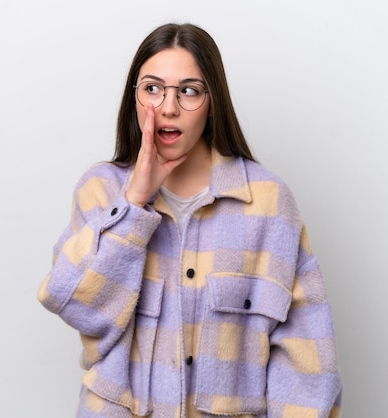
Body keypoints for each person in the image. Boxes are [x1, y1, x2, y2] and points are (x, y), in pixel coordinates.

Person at [38, 23, 343, 418]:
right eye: (152, 88)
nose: (167, 107)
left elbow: (308, 360)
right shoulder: (101, 190)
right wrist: (134, 201)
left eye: (188, 91)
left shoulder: (267, 202)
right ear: (134, 98)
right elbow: (79, 306)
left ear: (212, 100)